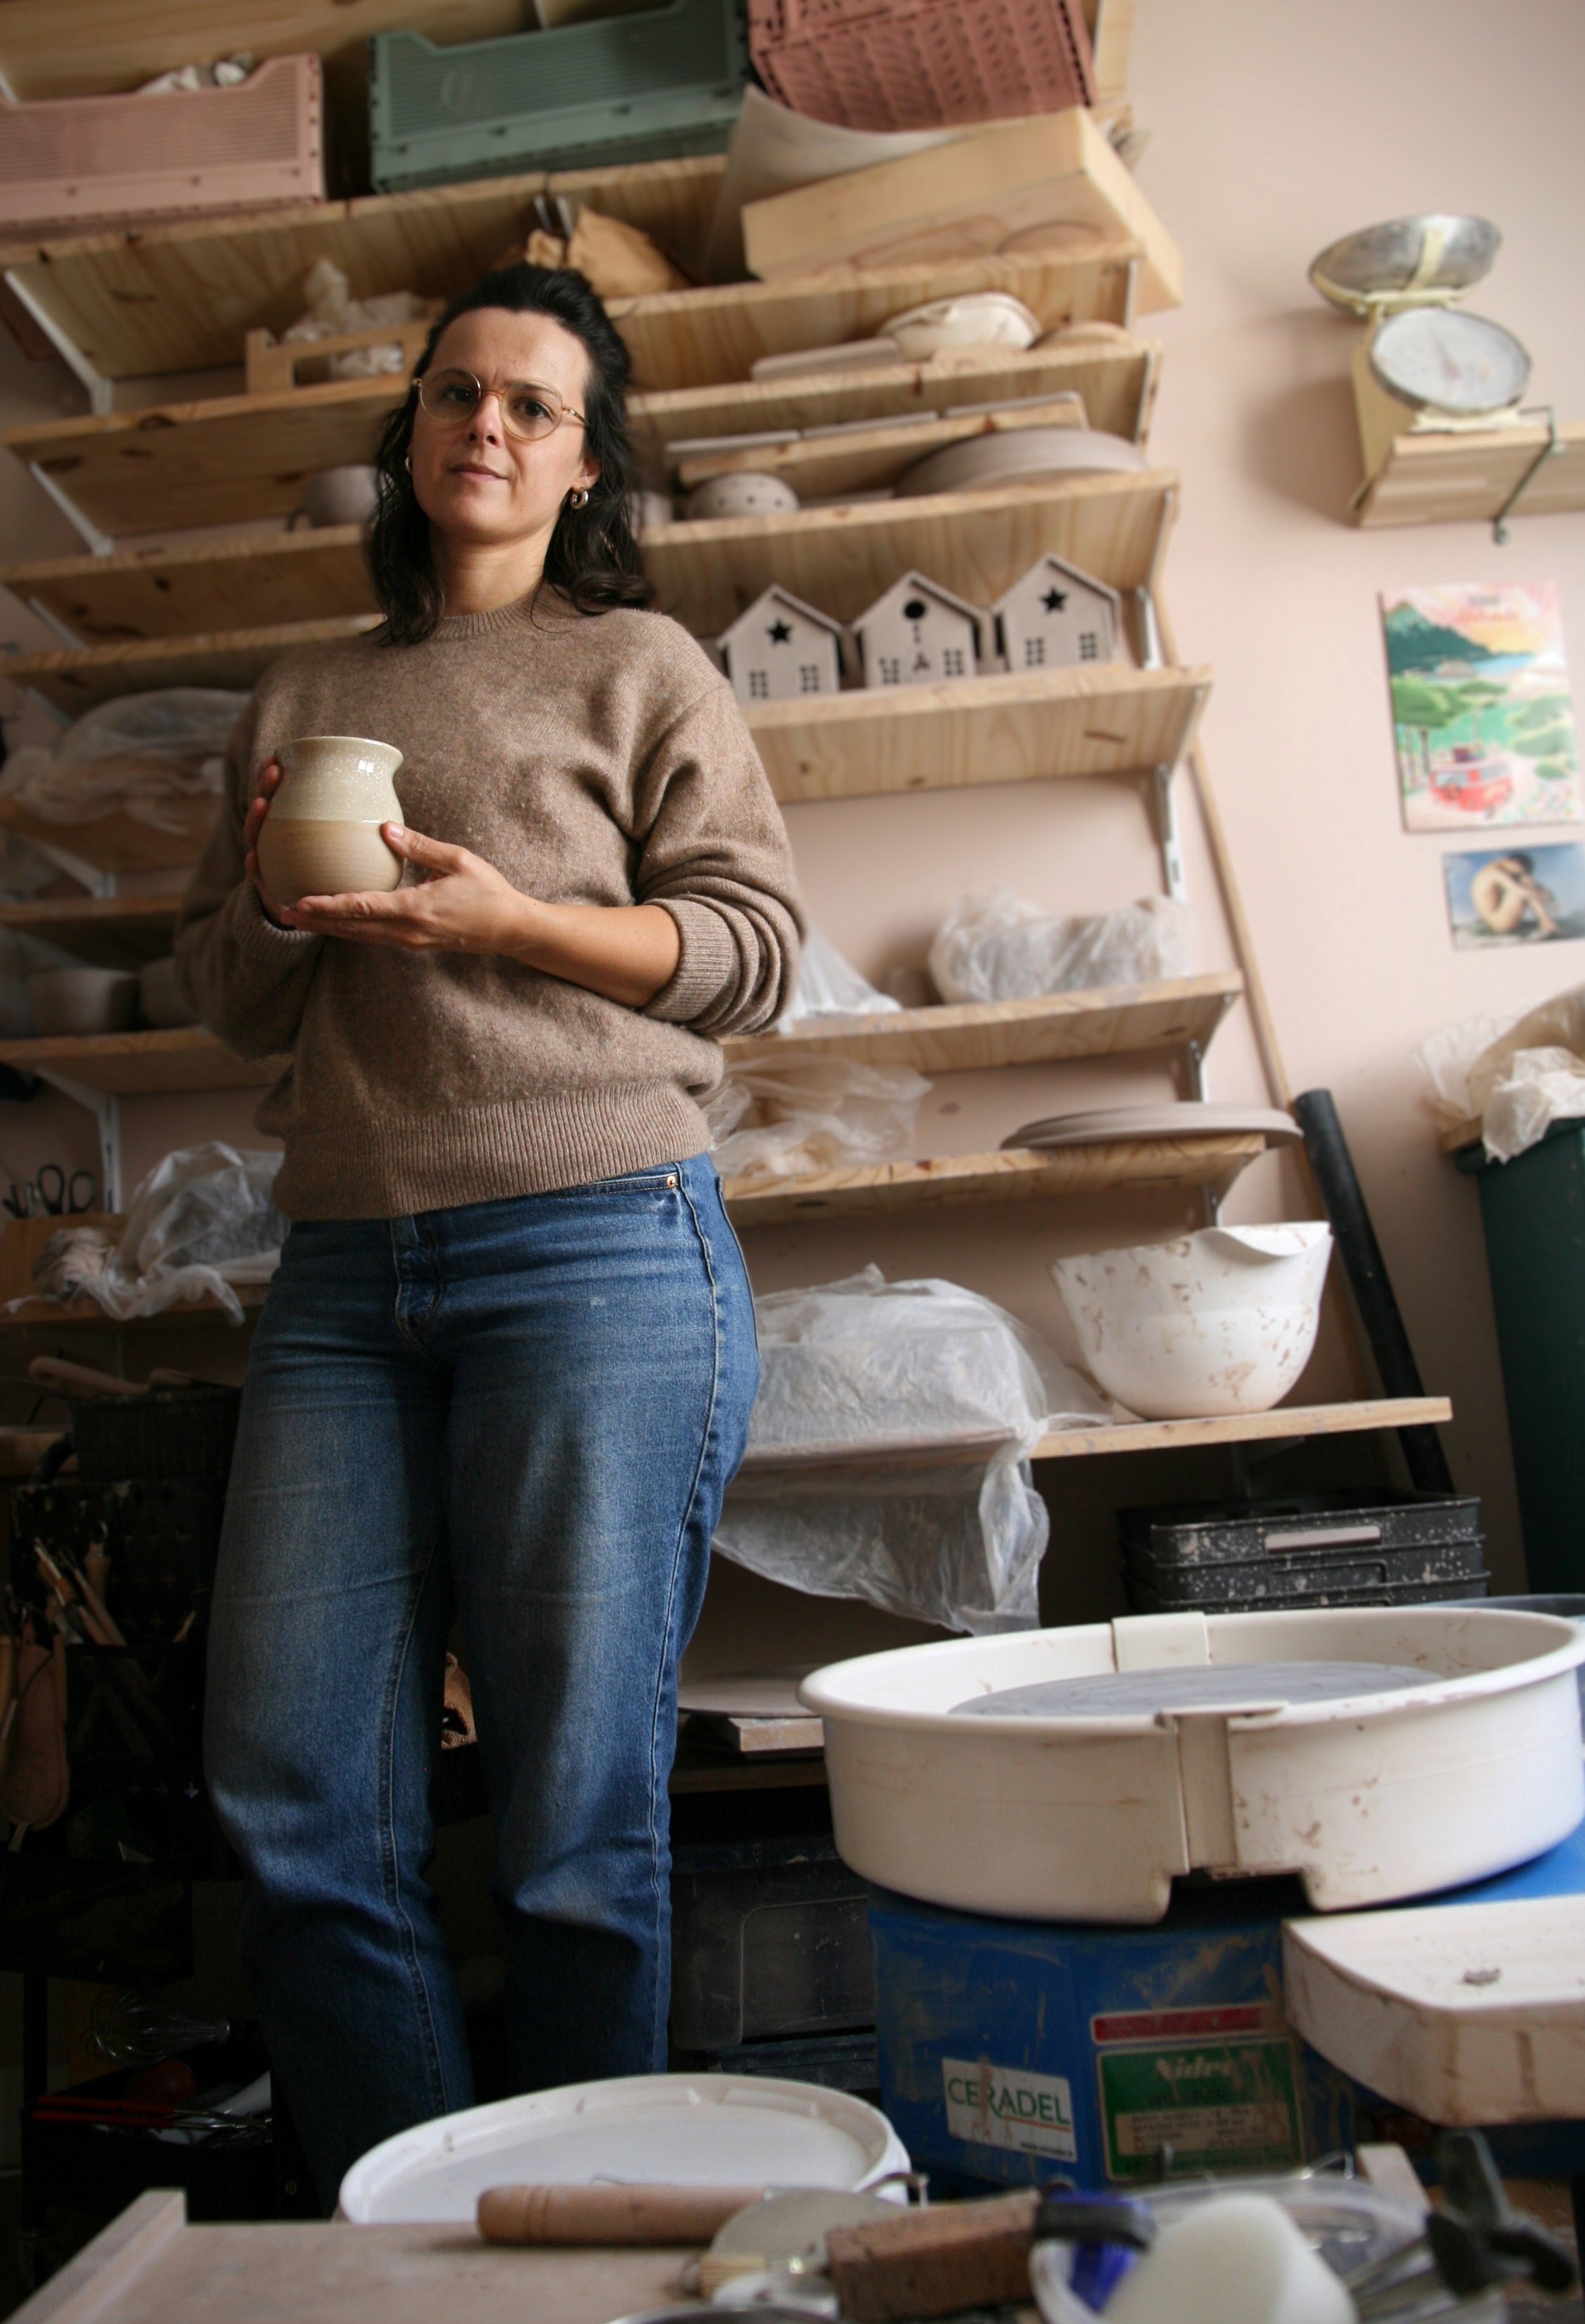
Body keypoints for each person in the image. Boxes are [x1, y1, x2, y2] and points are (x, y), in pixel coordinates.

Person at [174, 263, 803, 2208]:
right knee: (289, 1802)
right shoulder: (304, 690)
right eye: (458, 392)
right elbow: (221, 995)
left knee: (570, 1826)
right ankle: (412, 2239)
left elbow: (750, 957)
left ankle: (579, 2241)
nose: (489, 426)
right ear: (414, 426)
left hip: (599, 1248)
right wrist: (279, 915)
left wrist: (508, 920)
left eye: (535, 404)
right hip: (348, 1274)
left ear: (584, 455)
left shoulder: (646, 668)